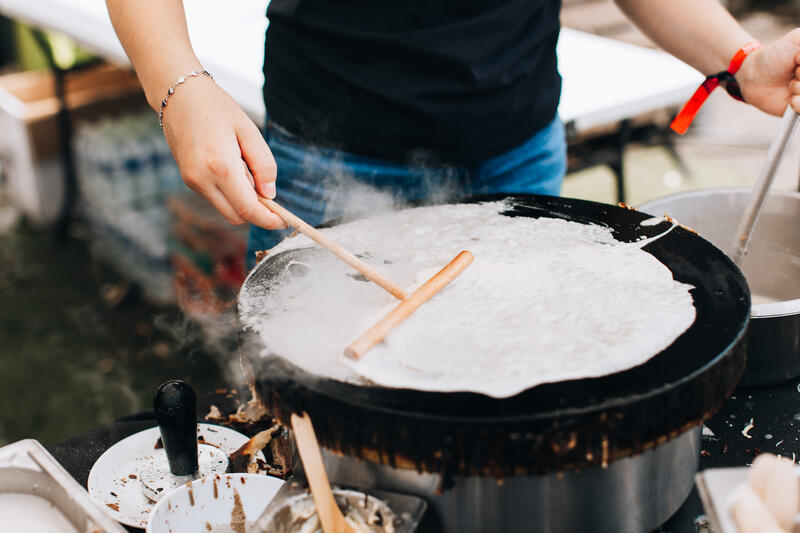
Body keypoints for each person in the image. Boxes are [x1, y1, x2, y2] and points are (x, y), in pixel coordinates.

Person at [106, 0, 800, 266]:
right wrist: (179, 87)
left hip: (517, 153)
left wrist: (741, 60)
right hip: (324, 168)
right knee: (317, 427)